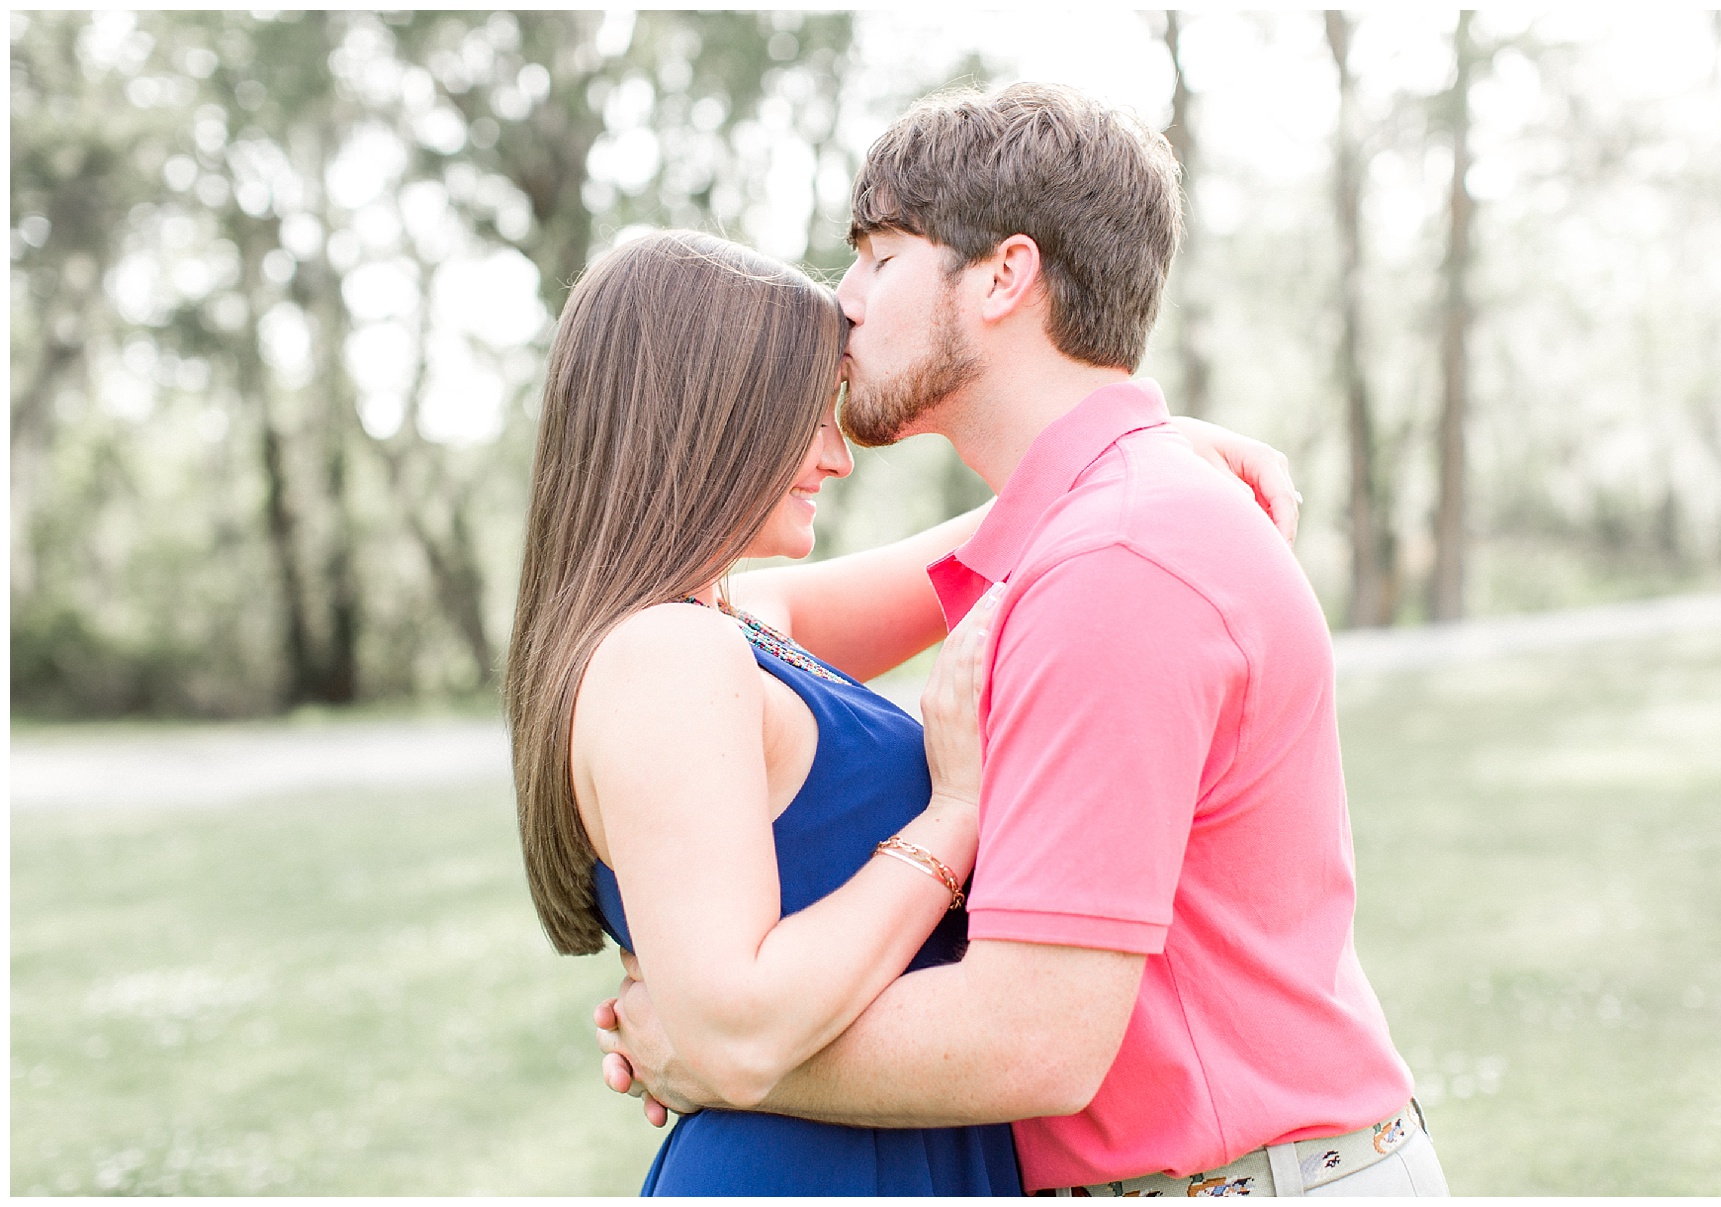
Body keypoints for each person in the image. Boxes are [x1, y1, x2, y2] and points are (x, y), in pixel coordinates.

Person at [598, 84, 1451, 1197]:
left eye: (878, 254)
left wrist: (723, 1050)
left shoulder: (1118, 563)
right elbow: (758, 630)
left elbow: (1032, 1037)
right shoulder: (1106, 526)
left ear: (1004, 274)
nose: (843, 303)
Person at [506, 229, 1297, 1195]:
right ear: (705, 419)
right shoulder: (666, 657)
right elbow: (739, 1025)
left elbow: (967, 558)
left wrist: (1141, 451)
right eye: (805, 416)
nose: (835, 454)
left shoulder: (727, 624)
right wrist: (954, 813)